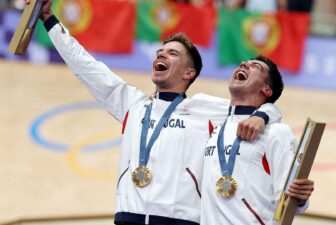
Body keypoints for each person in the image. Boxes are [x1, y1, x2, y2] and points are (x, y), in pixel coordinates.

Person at [28, 0, 282, 224]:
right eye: (161, 51)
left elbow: (263, 106)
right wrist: (50, 20)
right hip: (128, 216)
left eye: (173, 53)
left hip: (180, 220)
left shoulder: (204, 108)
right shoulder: (133, 104)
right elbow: (85, 65)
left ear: (188, 72)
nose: (161, 54)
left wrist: (261, 116)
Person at [201, 56, 314, 225]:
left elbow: (289, 204)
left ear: (267, 90)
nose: (243, 64)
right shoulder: (215, 124)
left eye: (255, 67)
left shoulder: (276, 132)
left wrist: (301, 197)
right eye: (243, 63)